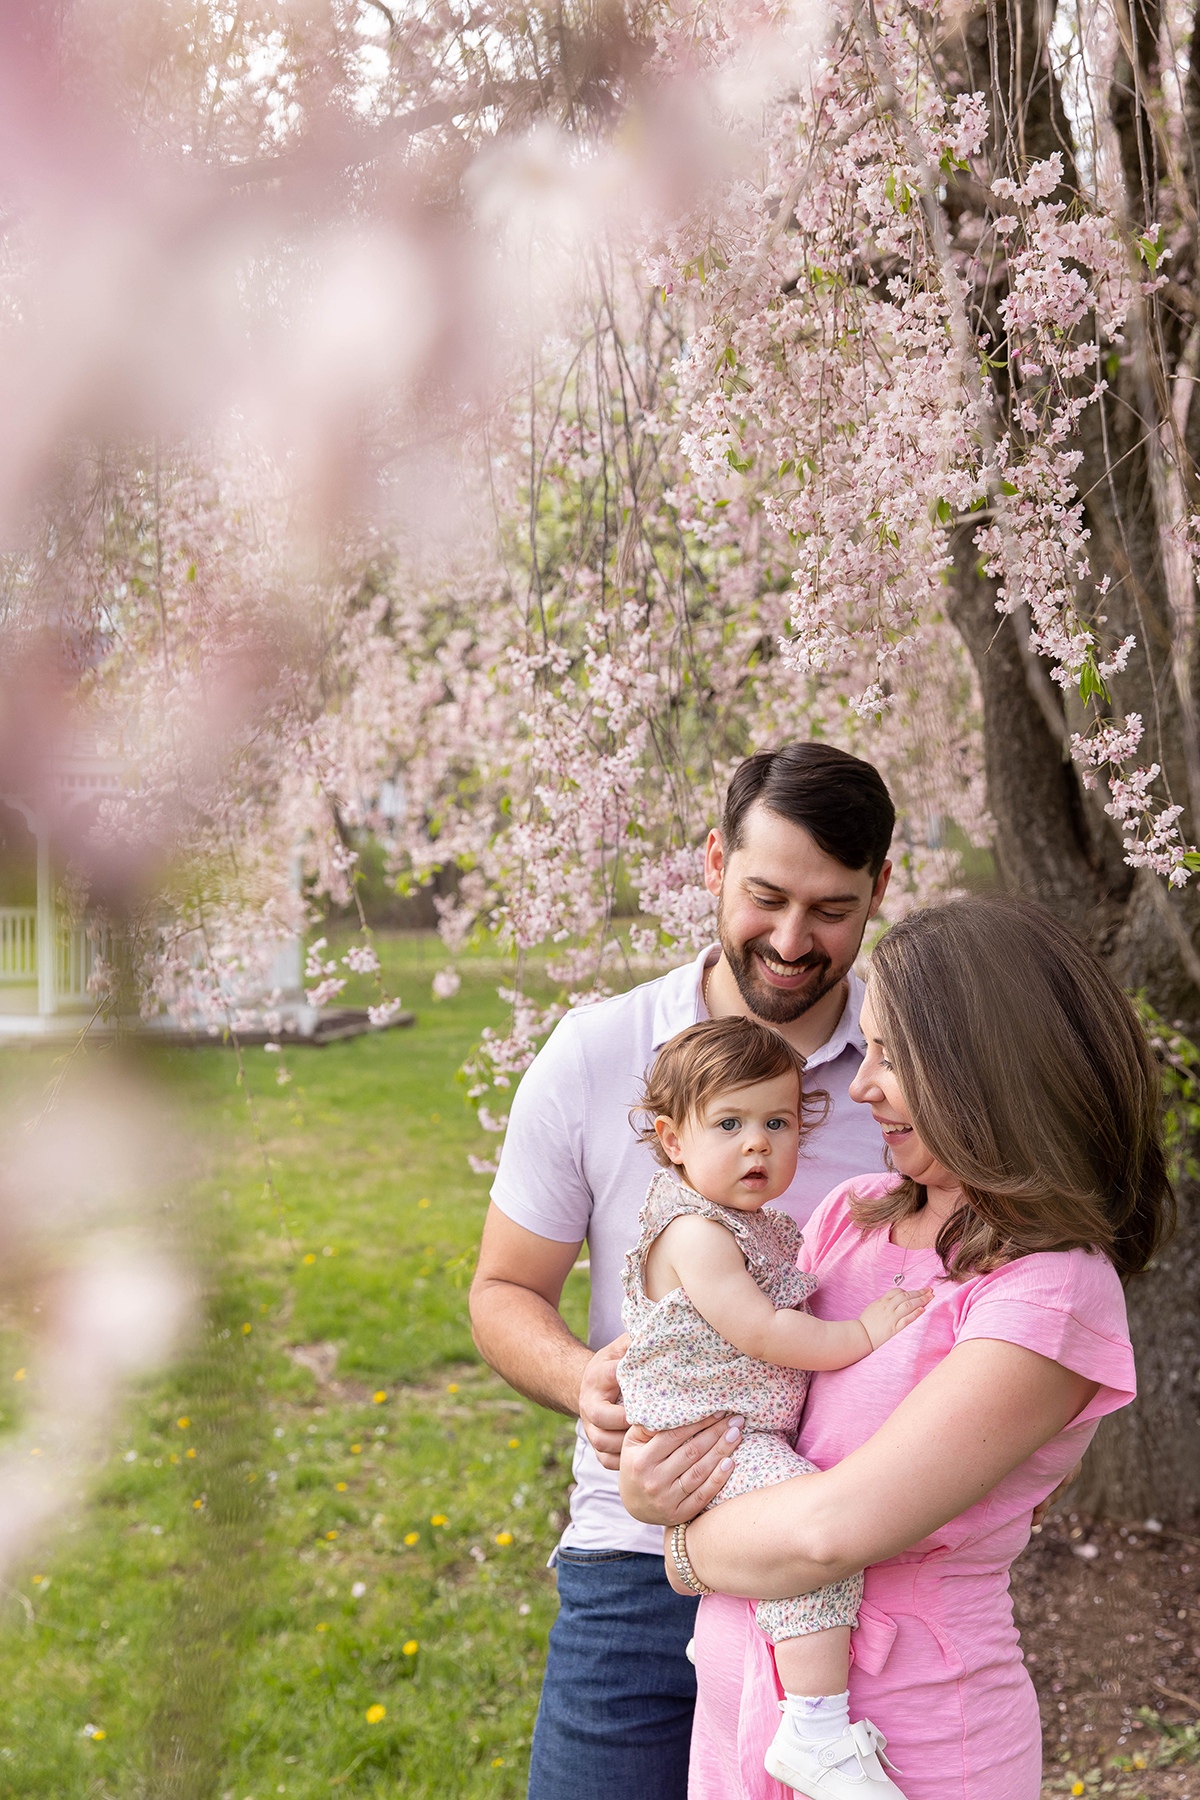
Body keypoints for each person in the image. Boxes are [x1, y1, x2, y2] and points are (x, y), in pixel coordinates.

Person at [617, 896, 1174, 1800]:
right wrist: (646, 1463)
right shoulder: (850, 1215)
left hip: (905, 1747)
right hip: (739, 1723)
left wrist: (676, 1538)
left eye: (889, 1056)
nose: (861, 1084)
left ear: (984, 1070)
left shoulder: (1049, 1291)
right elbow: (744, 1383)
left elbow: (829, 1533)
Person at [468, 742, 896, 1800]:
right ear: (712, 864)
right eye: (766, 897)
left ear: (882, 891)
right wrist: (590, 1387)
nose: (794, 942)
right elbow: (502, 1290)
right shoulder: (596, 1054)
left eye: (833, 910)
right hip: (637, 1553)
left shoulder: (907, 1082)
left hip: (857, 1551)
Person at [619, 1014, 930, 1796]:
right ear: (673, 1137)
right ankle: (817, 1730)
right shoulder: (696, 1233)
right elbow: (759, 1333)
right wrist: (863, 1333)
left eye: (778, 1122)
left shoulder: (754, 1226)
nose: (757, 1143)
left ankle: (744, 1650)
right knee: (812, 1537)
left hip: (736, 1435)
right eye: (729, 1123)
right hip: (716, 1438)